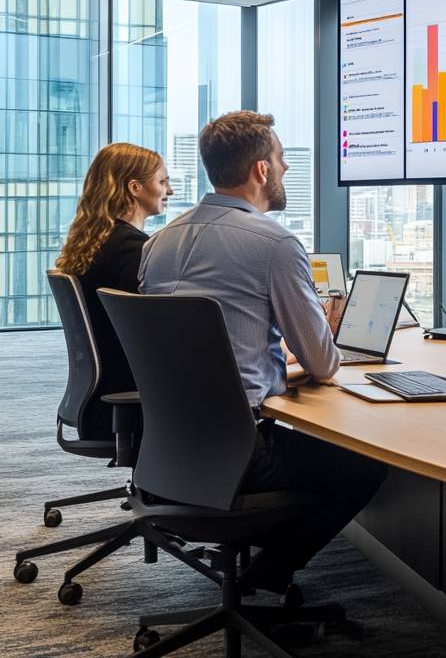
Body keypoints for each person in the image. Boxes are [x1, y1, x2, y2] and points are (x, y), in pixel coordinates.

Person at [139, 111, 385, 593]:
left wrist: (271, 367)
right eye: (282, 158)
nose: (286, 168)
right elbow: (323, 362)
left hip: (166, 452)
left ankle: (255, 573)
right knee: (366, 464)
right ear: (262, 170)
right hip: (241, 458)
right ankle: (265, 576)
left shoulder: (156, 243)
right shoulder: (275, 244)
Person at [55, 143, 173, 439]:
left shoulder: (95, 244)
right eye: (162, 181)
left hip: (101, 395)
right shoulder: (131, 250)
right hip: (131, 397)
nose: (169, 191)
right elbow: (155, 338)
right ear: (135, 187)